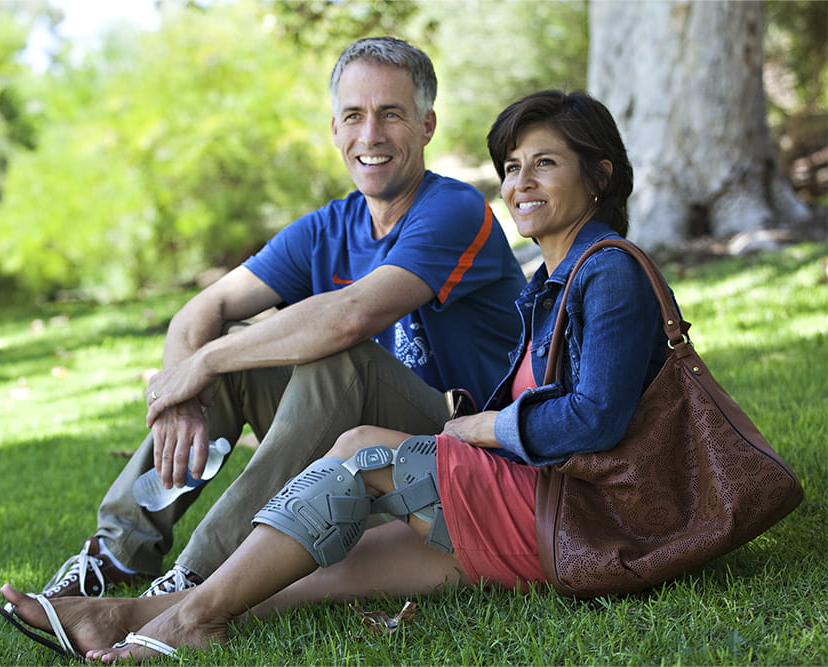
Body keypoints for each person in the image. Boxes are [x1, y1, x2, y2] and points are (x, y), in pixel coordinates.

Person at [0, 88, 675, 663]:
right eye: (513, 166)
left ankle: (190, 600)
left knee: (355, 442)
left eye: (544, 164)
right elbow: (206, 309)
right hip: (529, 496)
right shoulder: (552, 280)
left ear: (600, 175)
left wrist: (480, 427)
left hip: (565, 510)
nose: (520, 183)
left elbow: (593, 419)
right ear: (334, 127)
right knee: (315, 572)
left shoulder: (604, 269)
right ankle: (124, 600)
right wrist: (188, 385)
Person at [34, 36, 526, 601]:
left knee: (335, 356)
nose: (370, 135)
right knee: (240, 358)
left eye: (391, 114)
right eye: (354, 116)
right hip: (355, 453)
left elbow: (351, 316)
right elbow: (202, 310)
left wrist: (205, 361)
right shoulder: (326, 228)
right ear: (335, 128)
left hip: (460, 461)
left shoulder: (455, 209)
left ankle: (199, 575)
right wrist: (182, 398)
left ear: (426, 126)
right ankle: (116, 552)